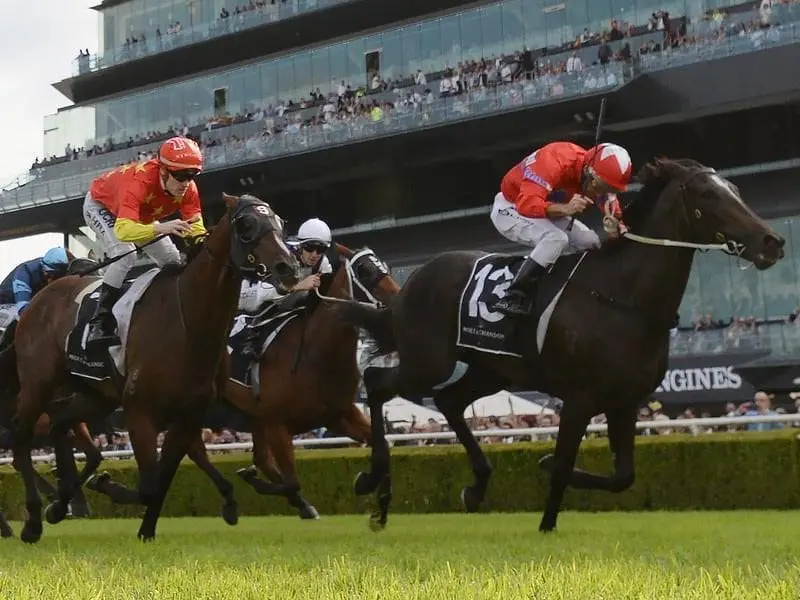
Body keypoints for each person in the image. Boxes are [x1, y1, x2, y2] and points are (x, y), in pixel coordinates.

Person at [81, 136, 208, 347]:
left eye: (193, 174)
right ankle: (99, 323)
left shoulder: (189, 189)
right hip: (101, 206)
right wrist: (162, 227)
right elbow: (123, 231)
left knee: (172, 261)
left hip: (137, 214)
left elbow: (196, 228)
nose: (186, 182)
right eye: (180, 175)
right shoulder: (140, 182)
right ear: (164, 171)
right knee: (126, 256)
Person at [490, 141, 632, 316]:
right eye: (600, 186)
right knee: (557, 238)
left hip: (547, 210)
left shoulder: (594, 173)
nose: (600, 193)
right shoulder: (554, 161)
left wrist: (618, 223)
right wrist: (565, 209)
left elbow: (609, 201)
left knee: (592, 241)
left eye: (608, 188)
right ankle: (514, 296)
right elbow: (525, 204)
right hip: (512, 207)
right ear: (589, 172)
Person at [237, 217, 332, 359]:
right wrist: (298, 286)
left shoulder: (323, 263)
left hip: (294, 309)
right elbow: (261, 294)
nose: (315, 255)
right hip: (258, 307)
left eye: (321, 249)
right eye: (310, 248)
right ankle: (252, 341)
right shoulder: (282, 257)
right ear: (300, 245)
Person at [0, 247, 72, 349]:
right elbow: (23, 310)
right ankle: (4, 350)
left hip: (29, 304)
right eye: (49, 275)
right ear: (43, 267)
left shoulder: (49, 269)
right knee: (21, 317)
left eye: (56, 277)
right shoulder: (24, 272)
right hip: (6, 306)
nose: (50, 281)